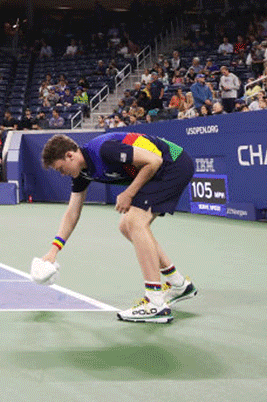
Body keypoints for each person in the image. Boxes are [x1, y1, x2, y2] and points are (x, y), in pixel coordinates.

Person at [39, 132, 198, 323]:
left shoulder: (105, 150)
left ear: (70, 156)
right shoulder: (82, 173)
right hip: (161, 168)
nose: (62, 173)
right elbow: (72, 212)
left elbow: (153, 161)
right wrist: (53, 251)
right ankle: (178, 284)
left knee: (134, 222)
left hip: (173, 163)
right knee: (126, 226)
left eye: (60, 168)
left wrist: (129, 193)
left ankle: (155, 302)